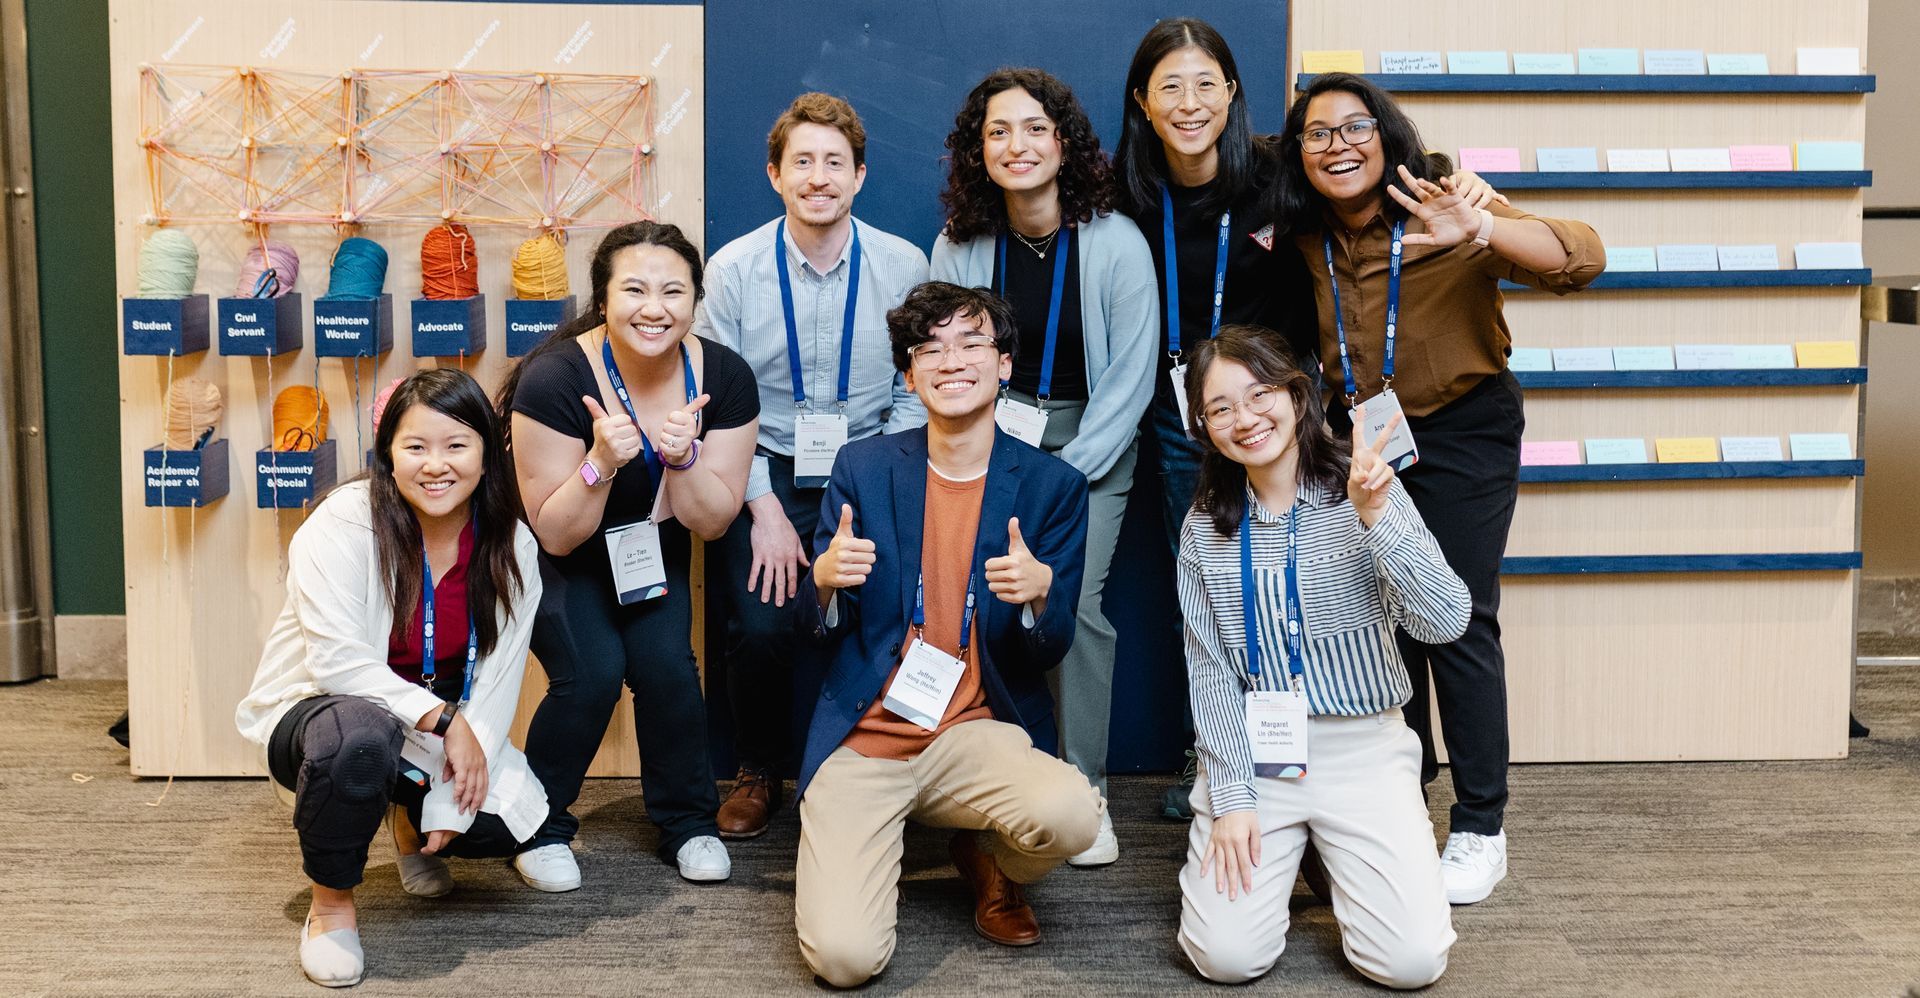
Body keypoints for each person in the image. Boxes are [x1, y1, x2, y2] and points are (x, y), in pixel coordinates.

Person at [1114, 17, 1508, 822]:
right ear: (1142, 102)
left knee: (1333, 583)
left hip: (1283, 413)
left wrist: (1466, 188)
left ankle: (1373, 774)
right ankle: (1222, 753)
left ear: (1231, 91)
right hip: (1178, 413)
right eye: (1169, 87)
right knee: (1216, 586)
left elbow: (1372, 181)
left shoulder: (1277, 172)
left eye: (1205, 84)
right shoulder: (1126, 186)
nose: (1189, 104)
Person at [1275, 72, 1605, 904]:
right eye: (1318, 134)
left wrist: (1484, 227)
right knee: (1386, 625)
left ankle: (1480, 826)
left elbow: (1582, 258)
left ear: (1387, 135)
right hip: (1366, 433)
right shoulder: (1304, 234)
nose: (1338, 146)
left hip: (1462, 427)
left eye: (1355, 128)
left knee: (1453, 615)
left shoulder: (1443, 200)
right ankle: (1403, 805)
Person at [791, 281, 1102, 987]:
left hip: (974, 731)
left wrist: (1039, 601)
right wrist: (824, 583)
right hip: (866, 740)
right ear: (908, 374)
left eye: (970, 342)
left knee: (1073, 817)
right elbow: (812, 631)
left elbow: (1046, 649)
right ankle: (871, 848)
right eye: (928, 348)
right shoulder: (863, 469)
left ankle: (986, 852)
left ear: (1004, 364)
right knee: (844, 961)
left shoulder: (1053, 486)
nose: (950, 360)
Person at [1174, 325, 1468, 988]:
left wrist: (1376, 517)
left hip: (1363, 747)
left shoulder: (1364, 488)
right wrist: (1233, 795)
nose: (1245, 419)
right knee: (1226, 958)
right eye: (1220, 408)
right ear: (1203, 425)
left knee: (1411, 964)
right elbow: (1211, 673)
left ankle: (1331, 856)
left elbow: (1446, 621)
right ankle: (1299, 854)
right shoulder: (1204, 523)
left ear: (1297, 397)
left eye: (1260, 394)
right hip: (1261, 748)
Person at [235, 369, 546, 988]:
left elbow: (503, 670)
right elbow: (336, 662)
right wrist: (448, 722)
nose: (436, 465)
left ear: (488, 452)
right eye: (415, 447)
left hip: (431, 724)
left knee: (485, 829)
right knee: (359, 738)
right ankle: (331, 910)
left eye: (457, 445)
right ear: (388, 456)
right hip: (322, 712)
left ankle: (405, 822)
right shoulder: (345, 521)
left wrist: (467, 754)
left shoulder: (510, 541)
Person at [931, 67, 1156, 866]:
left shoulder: (1116, 239)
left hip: (1092, 443)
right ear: (977, 149)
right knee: (983, 601)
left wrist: (1065, 472)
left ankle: (1084, 784)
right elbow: (949, 363)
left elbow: (1129, 381)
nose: (1016, 145)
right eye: (998, 132)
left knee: (1074, 606)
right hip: (990, 437)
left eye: (1034, 128)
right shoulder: (961, 243)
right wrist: (985, 454)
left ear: (1064, 141)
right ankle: (998, 779)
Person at [694, 92, 930, 840]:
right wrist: (759, 506)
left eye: (835, 163)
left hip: (871, 463)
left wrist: (880, 473)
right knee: (761, 627)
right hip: (761, 467)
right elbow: (714, 400)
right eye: (803, 162)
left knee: (891, 615)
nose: (819, 177)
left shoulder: (902, 263)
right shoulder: (732, 271)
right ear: (774, 174)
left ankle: (881, 767)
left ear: (859, 176)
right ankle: (758, 769)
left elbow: (912, 387)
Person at [498, 220, 761, 885]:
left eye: (673, 291)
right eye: (635, 289)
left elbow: (713, 521)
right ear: (603, 296)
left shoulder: (723, 376)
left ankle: (688, 823)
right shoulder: (553, 376)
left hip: (650, 547)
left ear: (695, 299)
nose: (655, 308)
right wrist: (599, 463)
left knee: (668, 667)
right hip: (562, 556)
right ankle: (538, 825)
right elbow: (554, 531)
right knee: (591, 673)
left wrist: (685, 457)